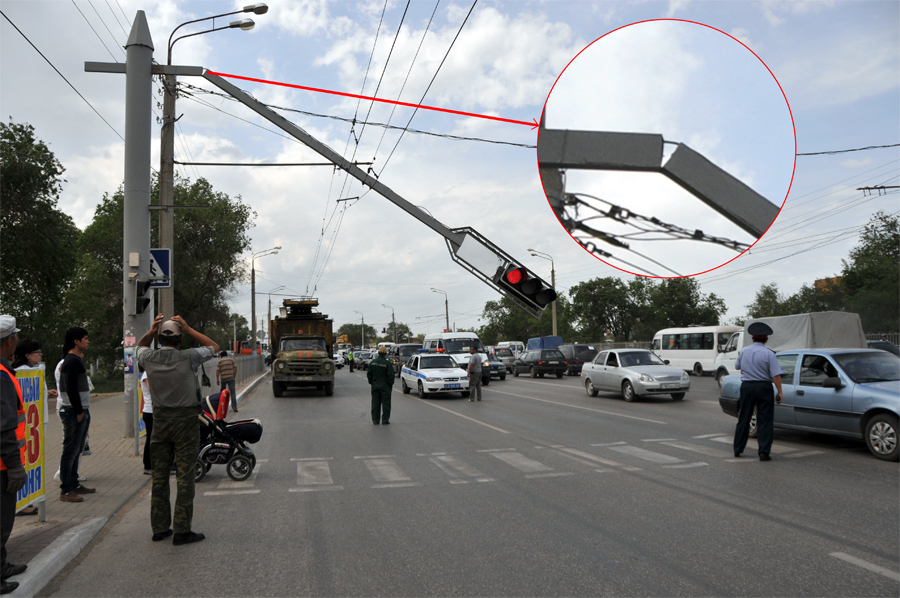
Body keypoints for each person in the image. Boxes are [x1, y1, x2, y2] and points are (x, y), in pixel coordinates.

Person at [136, 314, 218, 546]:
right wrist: (189, 329)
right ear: (180, 340)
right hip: (186, 423)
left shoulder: (149, 357)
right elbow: (213, 346)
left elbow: (138, 348)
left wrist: (150, 332)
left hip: (159, 422)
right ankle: (182, 530)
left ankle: (160, 528)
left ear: (159, 338)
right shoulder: (189, 357)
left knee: (159, 476)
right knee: (185, 475)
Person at [11, 339, 57, 516]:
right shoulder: (22, 373)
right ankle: (21, 504)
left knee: (31, 463)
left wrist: (47, 392)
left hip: (36, 423)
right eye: (37, 351)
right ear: (27, 355)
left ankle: (25, 501)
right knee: (26, 463)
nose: (40, 354)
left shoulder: (32, 371)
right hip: (28, 426)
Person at [1, 316, 29, 594]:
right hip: (2, 463)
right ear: (8, 341)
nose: (17, 341)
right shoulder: (1, 374)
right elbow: (5, 425)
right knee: (2, 521)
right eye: (15, 337)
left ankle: (2, 565)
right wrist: (14, 465)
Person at [733, 322, 784, 461]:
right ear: (766, 339)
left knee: (744, 417)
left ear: (752, 338)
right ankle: (763, 452)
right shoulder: (769, 354)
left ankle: (737, 449)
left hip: (747, 386)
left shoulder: (744, 351)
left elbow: (737, 366)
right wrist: (780, 392)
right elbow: (776, 375)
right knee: (765, 420)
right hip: (764, 387)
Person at [58, 326, 95, 502]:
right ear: (76, 341)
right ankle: (66, 490)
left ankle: (74, 483)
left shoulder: (75, 359)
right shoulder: (72, 360)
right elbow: (71, 388)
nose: (88, 341)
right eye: (85, 338)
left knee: (77, 449)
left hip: (79, 410)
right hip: (73, 411)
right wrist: (79, 411)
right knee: (70, 450)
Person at [367, 346, 393, 424]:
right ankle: (385, 420)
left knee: (375, 403)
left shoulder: (373, 362)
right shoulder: (387, 363)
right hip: (385, 387)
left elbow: (369, 374)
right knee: (386, 404)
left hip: (375, 386)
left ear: (378, 353)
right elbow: (391, 375)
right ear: (385, 354)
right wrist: (390, 384)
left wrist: (372, 382)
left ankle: (375, 420)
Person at [139, 366, 153, 475]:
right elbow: (152, 391)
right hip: (150, 411)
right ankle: (148, 466)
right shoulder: (147, 374)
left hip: (154, 411)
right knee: (151, 438)